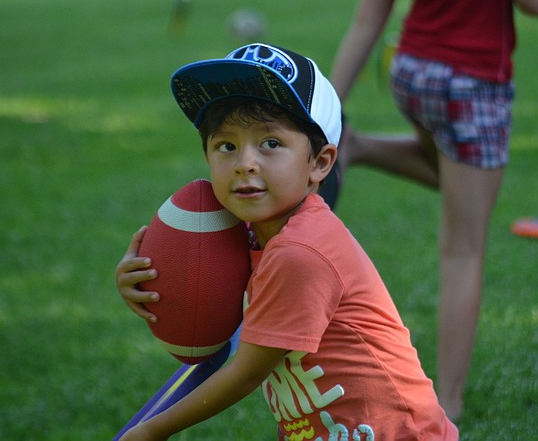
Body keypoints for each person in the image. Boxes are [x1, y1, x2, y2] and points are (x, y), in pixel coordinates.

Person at [115, 43, 459, 441]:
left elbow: (246, 372)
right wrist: (149, 284)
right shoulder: (247, 234)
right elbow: (203, 298)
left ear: (320, 163)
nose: (245, 162)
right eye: (226, 145)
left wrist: (150, 431)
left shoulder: (301, 252)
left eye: (270, 144)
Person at [328, 0, 538, 421]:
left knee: (452, 181)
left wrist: (329, 114)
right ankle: (445, 404)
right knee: (462, 248)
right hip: (472, 84)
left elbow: (367, 22)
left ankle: (356, 146)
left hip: (414, 75)